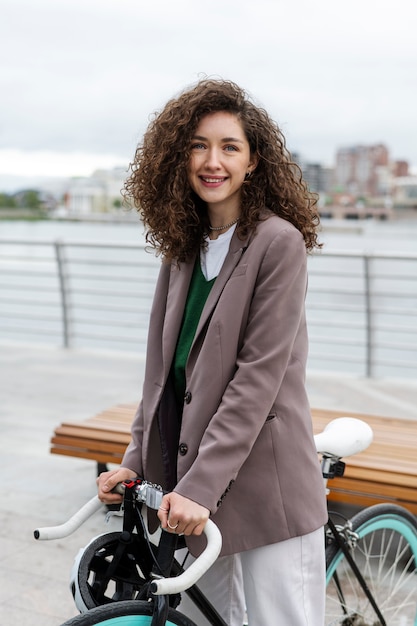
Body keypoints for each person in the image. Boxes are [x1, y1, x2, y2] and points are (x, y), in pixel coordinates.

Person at [97, 78, 328, 625]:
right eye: (199, 145)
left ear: (254, 162)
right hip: (191, 488)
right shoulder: (182, 248)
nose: (212, 161)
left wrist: (199, 487)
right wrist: (135, 462)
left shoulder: (278, 243)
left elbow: (257, 379)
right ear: (179, 158)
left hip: (263, 484)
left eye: (230, 147)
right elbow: (162, 378)